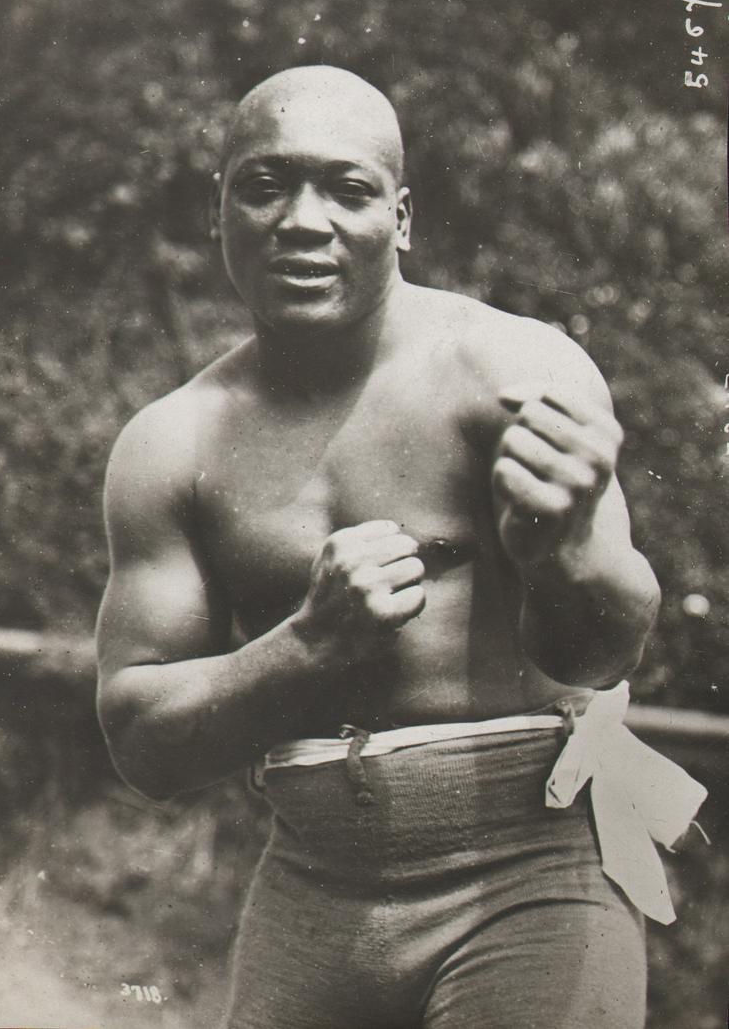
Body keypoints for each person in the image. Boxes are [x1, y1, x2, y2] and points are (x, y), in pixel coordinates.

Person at [96, 65, 700, 1029]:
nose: (302, 220)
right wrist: (304, 649)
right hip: (313, 880)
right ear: (218, 213)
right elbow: (142, 744)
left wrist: (568, 547)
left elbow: (601, 652)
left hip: (531, 871)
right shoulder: (171, 443)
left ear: (402, 218)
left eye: (347, 188)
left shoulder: (509, 369)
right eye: (264, 185)